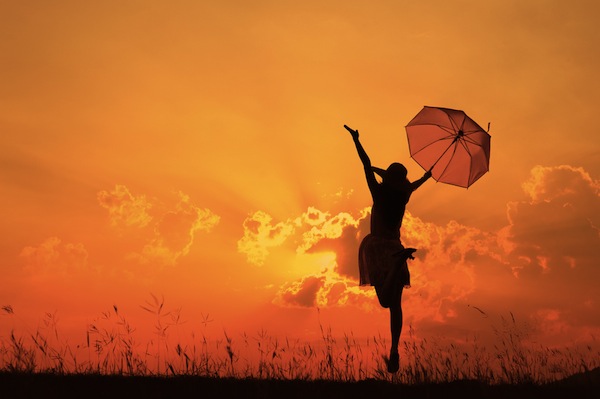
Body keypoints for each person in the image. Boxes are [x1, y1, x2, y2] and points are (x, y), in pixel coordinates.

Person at [344, 124, 431, 373]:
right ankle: (394, 348)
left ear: (386, 178)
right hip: (395, 246)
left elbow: (366, 163)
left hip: (377, 248)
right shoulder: (404, 193)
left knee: (384, 301)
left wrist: (356, 140)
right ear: (402, 180)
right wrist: (427, 176)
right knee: (396, 306)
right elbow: (412, 184)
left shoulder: (379, 192)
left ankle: (394, 267)